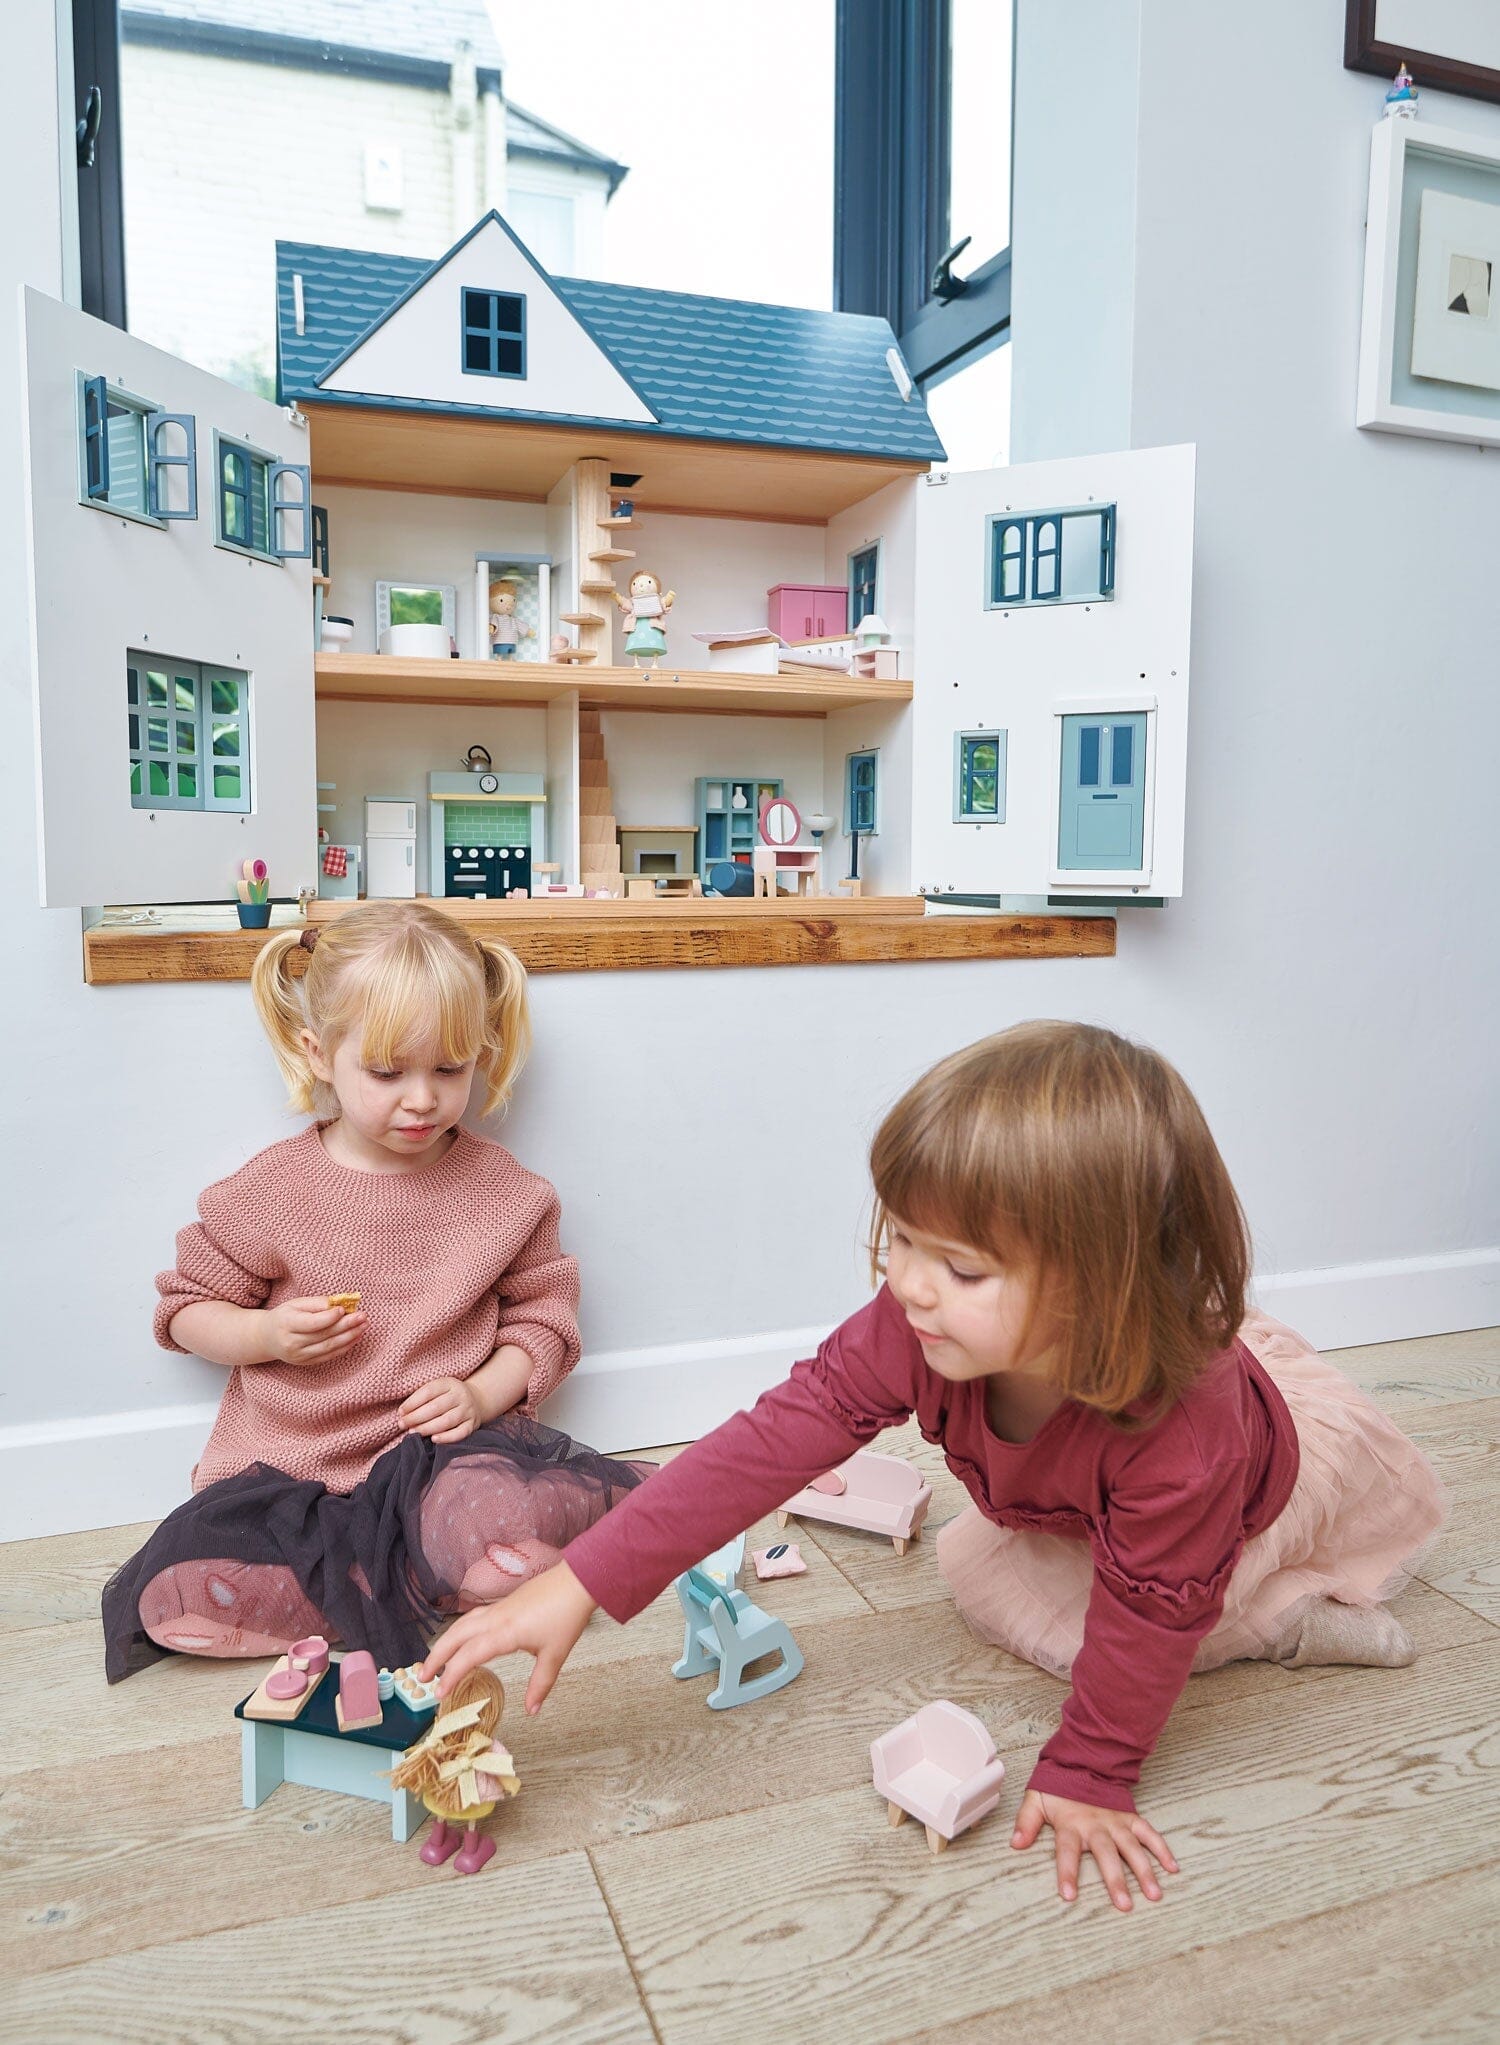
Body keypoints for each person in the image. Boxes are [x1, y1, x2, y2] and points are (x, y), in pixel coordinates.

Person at [419, 1022, 1445, 1910]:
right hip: (1088, 1501)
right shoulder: (921, 1322)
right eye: (902, 1236)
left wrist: (1091, 1769)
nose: (905, 1281)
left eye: (959, 1266)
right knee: (979, 1571)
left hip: (1248, 1500)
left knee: (1156, 1627)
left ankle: (1288, 1617)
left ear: (1102, 1287)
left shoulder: (1183, 1445)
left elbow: (1150, 1614)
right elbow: (774, 1438)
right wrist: (583, 1578)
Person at [102, 901, 647, 1683]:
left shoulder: (506, 1193)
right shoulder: (271, 1191)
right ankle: (365, 1585)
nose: (421, 1099)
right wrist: (265, 1336)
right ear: (318, 1053)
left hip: (437, 1460)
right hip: (294, 1470)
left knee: (495, 1506)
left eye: (450, 1069)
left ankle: (430, 1565)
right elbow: (184, 1309)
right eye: (388, 1072)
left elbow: (545, 1323)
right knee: (179, 1577)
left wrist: (480, 1394)